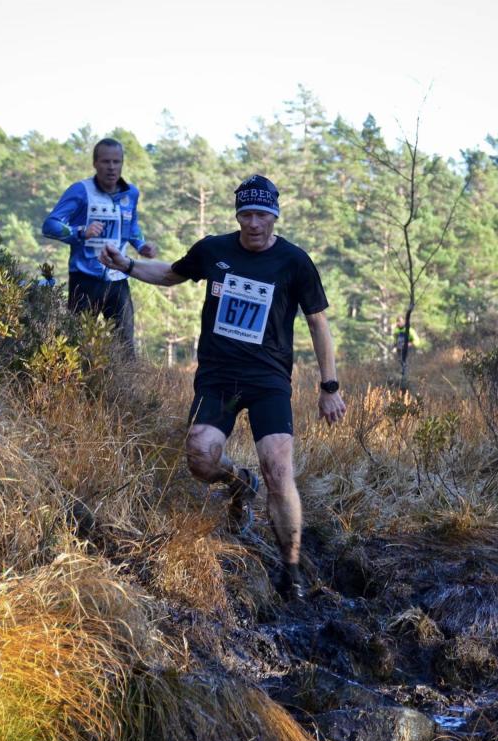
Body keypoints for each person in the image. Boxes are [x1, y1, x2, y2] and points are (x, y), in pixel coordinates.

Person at [100, 175, 346, 600]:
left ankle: (290, 570)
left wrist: (329, 386)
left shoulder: (294, 261)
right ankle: (239, 483)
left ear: (275, 215)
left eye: (262, 215)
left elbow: (318, 324)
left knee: (279, 469)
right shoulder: (213, 250)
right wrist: (127, 266)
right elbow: (171, 275)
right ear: (238, 215)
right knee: (199, 456)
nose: (253, 223)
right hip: (217, 377)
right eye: (246, 214)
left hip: (268, 380)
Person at [42, 138, 157, 352]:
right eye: (105, 162)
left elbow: (131, 226)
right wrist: (80, 232)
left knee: (125, 347)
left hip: (118, 279)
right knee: (76, 344)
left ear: (122, 163)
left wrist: (141, 245)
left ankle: (126, 385)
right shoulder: (80, 190)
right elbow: (50, 225)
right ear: (95, 163)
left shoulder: (131, 193)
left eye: (116, 161)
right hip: (85, 279)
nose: (111, 167)